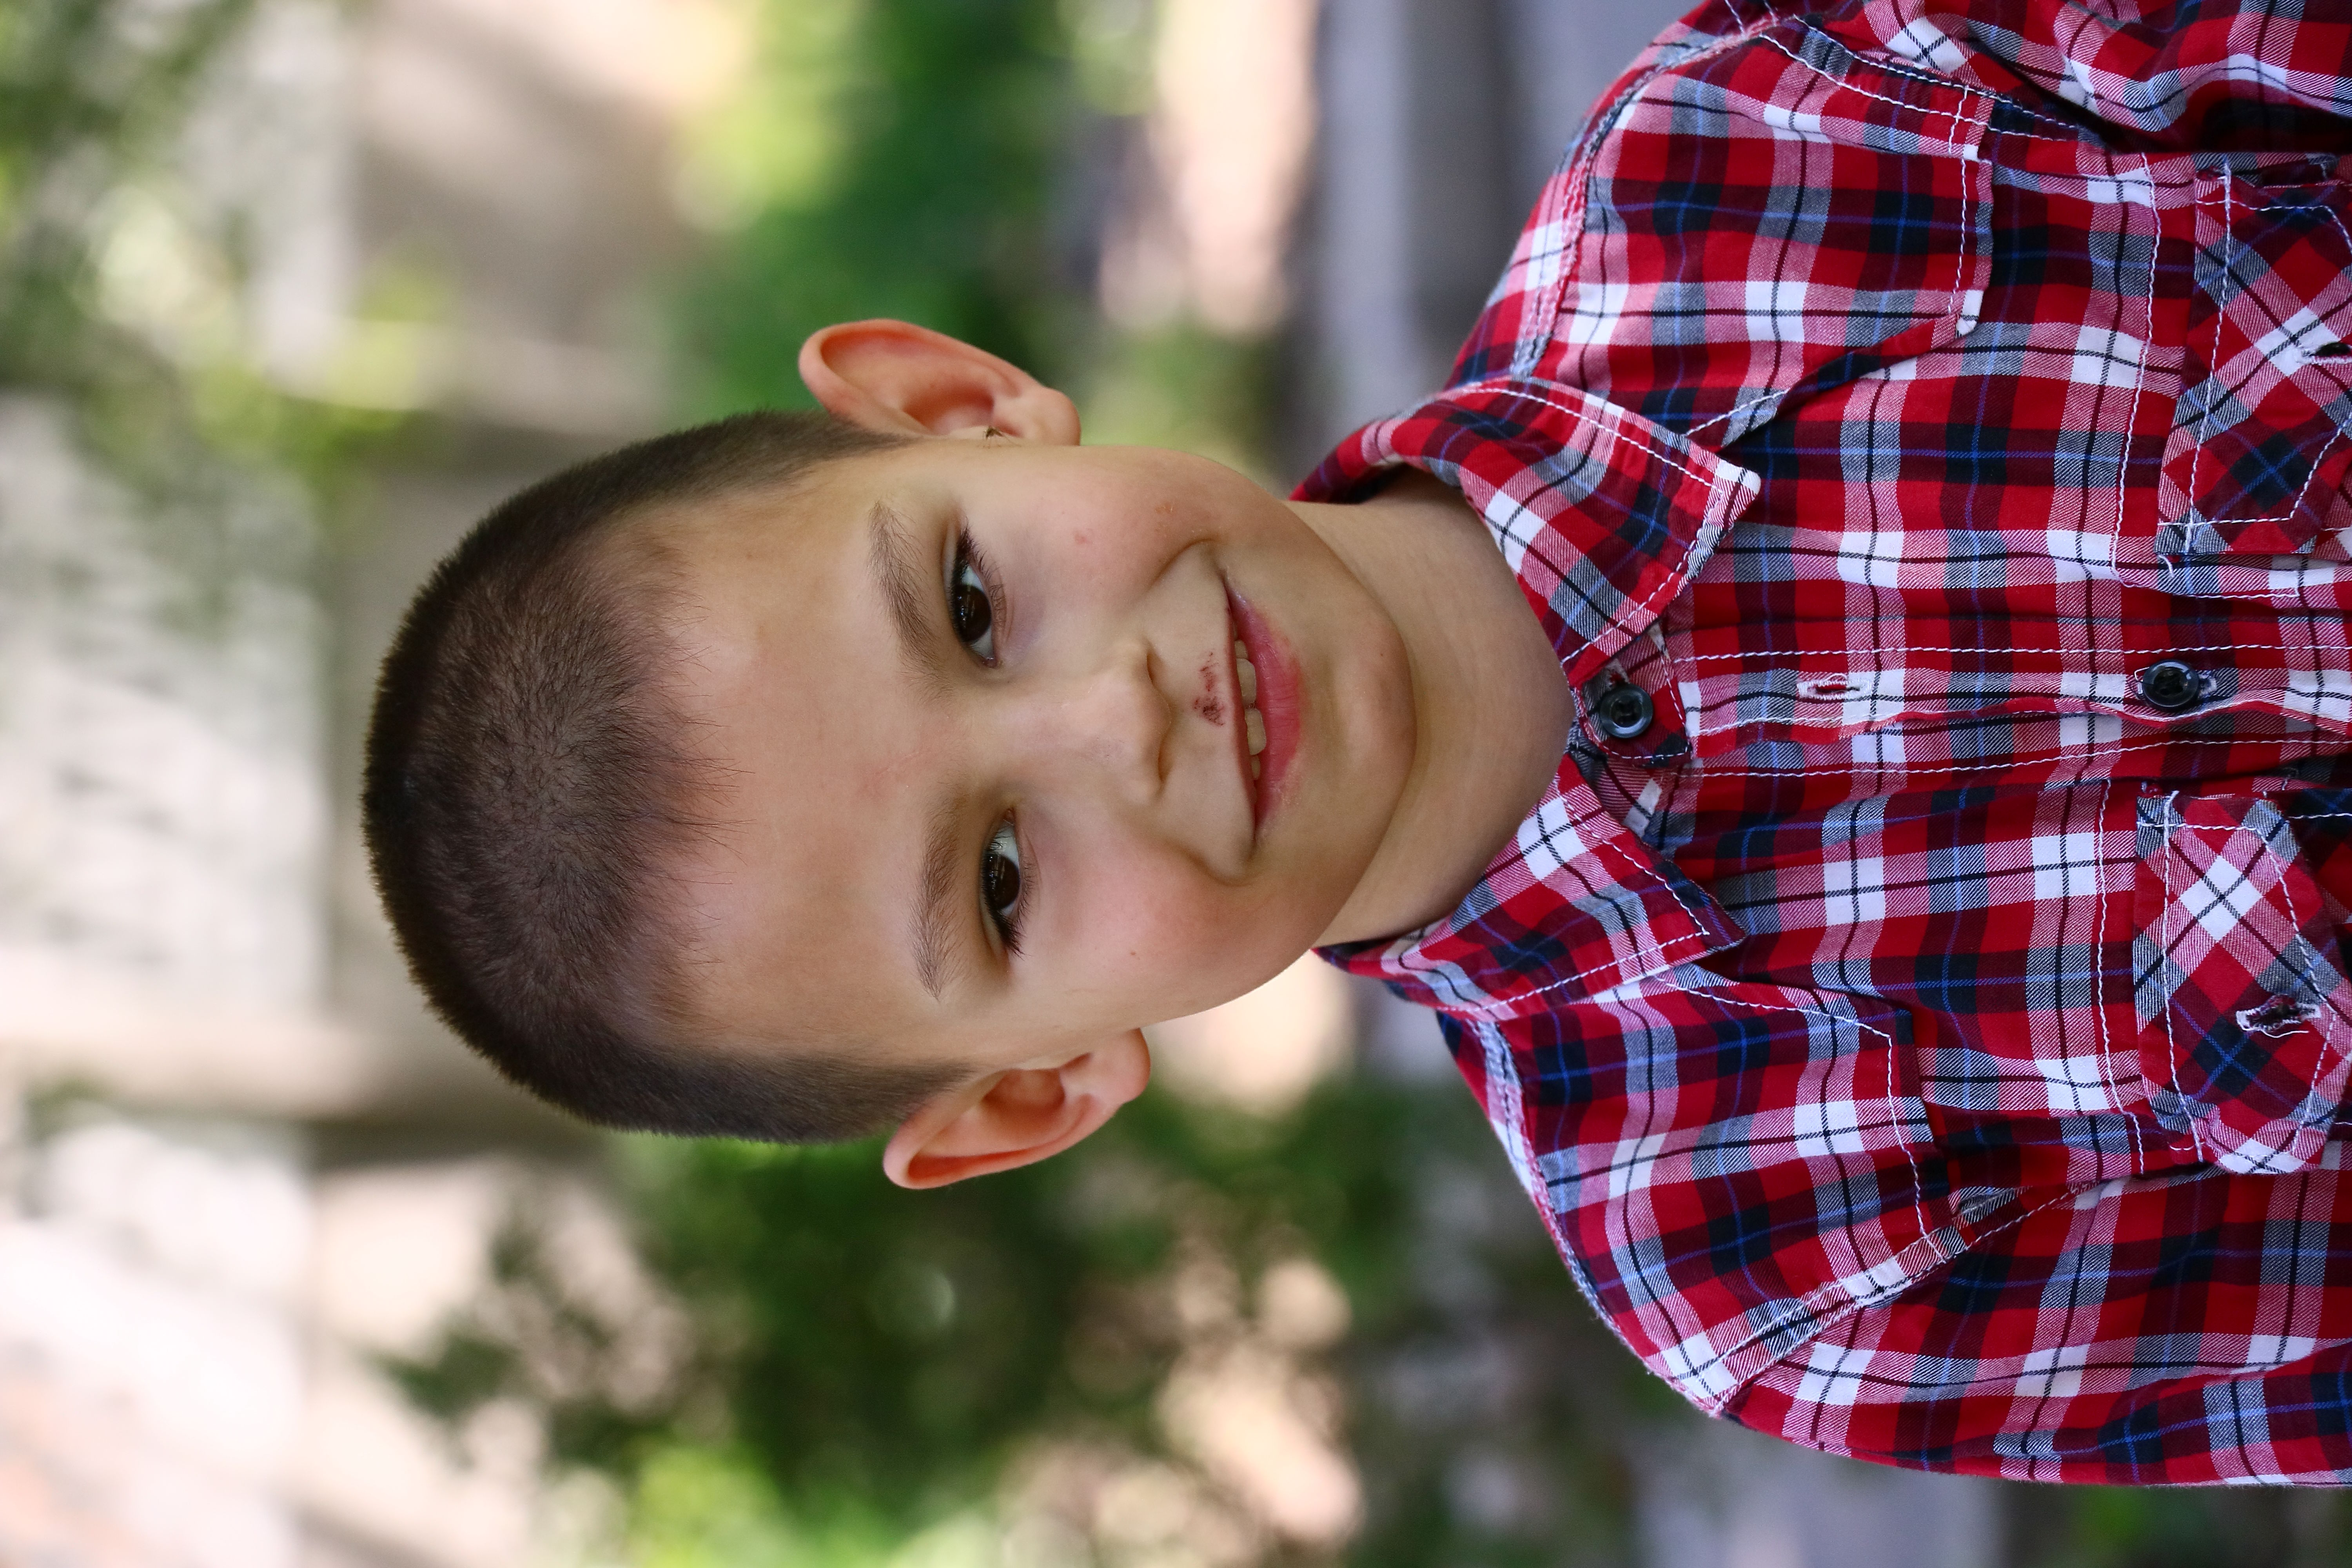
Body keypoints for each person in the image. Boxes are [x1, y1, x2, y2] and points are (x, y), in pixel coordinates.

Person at [363, 0, 2352, 1483]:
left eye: (969, 604)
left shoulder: (1793, 127)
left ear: (956, 406)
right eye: (1001, 877)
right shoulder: (1780, 1265)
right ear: (1032, 1089)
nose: (1116, 718)